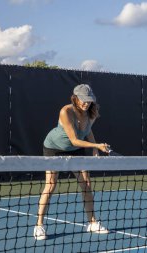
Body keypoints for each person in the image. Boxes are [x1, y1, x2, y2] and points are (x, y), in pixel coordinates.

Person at [34, 84, 111, 240]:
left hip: (76, 150)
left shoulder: (92, 113)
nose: (86, 103)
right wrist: (96, 146)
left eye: (89, 100)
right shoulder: (66, 111)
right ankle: (39, 226)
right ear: (75, 98)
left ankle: (92, 223)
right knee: (51, 185)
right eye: (83, 100)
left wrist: (95, 148)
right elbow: (75, 140)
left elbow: (87, 130)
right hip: (54, 148)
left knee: (86, 184)